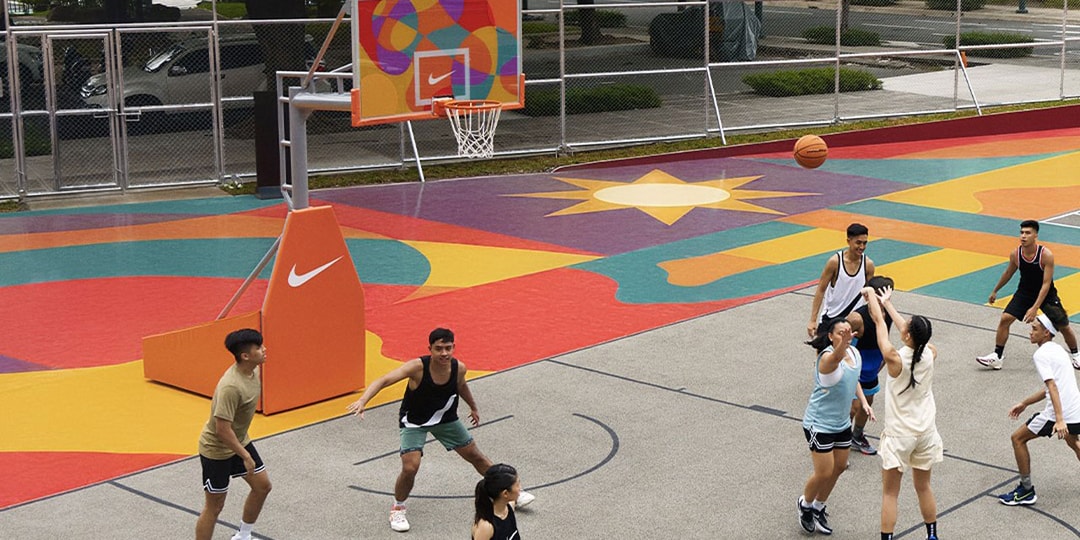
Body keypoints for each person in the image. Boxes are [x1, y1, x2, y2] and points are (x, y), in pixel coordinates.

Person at [347, 328, 534, 533]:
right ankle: (398, 508)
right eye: (439, 349)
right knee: (410, 468)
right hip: (415, 422)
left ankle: (510, 492)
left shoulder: (458, 368)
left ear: (454, 347)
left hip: (446, 420)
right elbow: (383, 380)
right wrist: (363, 400)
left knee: (476, 455)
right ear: (430, 349)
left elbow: (461, 386)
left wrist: (473, 406)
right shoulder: (417, 367)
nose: (444, 353)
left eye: (448, 348)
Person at [864, 287, 941, 540]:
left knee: (890, 494)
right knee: (924, 487)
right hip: (925, 432)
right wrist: (888, 304)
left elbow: (879, 324)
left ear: (907, 335)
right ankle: (932, 535)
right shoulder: (930, 353)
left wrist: (872, 296)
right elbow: (908, 334)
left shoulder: (895, 360)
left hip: (900, 436)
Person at [799, 317, 875, 536]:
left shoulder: (855, 354)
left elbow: (854, 378)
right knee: (824, 472)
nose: (847, 335)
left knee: (839, 466)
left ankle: (818, 506)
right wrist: (843, 343)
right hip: (819, 424)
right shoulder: (826, 359)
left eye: (849, 331)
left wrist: (863, 402)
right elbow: (837, 357)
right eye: (841, 333)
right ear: (831, 336)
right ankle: (805, 504)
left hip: (841, 423)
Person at [995, 314, 1080, 506]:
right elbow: (1052, 387)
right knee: (1073, 442)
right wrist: (1025, 403)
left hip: (1059, 413)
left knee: (1017, 438)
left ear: (1046, 333)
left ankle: (1026, 491)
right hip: (1076, 409)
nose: (1030, 332)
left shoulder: (1040, 355)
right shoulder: (1059, 350)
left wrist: (1059, 419)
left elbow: (1052, 387)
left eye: (1034, 329)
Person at [195, 329, 272, 540]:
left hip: (239, 440)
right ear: (245, 356)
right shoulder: (230, 387)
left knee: (262, 487)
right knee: (215, 506)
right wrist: (245, 456)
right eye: (259, 348)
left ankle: (243, 536)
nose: (264, 349)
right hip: (217, 450)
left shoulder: (254, 371)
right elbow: (222, 430)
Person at [976, 220, 1080, 370]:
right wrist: (995, 290)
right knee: (1005, 319)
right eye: (1022, 233)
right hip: (1024, 292)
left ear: (1035, 235)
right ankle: (997, 356)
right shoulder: (1016, 254)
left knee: (1063, 325)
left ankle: (1076, 355)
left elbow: (1046, 284)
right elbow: (1008, 273)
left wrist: (1034, 308)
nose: (1023, 236)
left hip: (1047, 294)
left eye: (1027, 233)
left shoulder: (1046, 255)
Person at [846, 275, 896, 456]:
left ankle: (856, 436)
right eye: (879, 297)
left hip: (872, 369)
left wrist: (881, 363)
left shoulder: (888, 313)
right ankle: (840, 441)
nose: (884, 301)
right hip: (855, 368)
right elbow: (840, 340)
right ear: (868, 296)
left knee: (866, 405)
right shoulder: (857, 318)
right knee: (852, 408)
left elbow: (884, 340)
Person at [807, 223, 876, 338]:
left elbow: (871, 296)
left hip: (854, 322)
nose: (862, 247)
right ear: (848, 241)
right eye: (858, 243)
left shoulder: (868, 265)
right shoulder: (835, 262)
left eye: (865, 243)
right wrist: (813, 320)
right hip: (831, 319)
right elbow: (821, 290)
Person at [472, 463, 524, 540]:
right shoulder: (486, 527)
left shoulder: (509, 506)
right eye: (517, 485)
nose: (520, 488)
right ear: (505, 493)